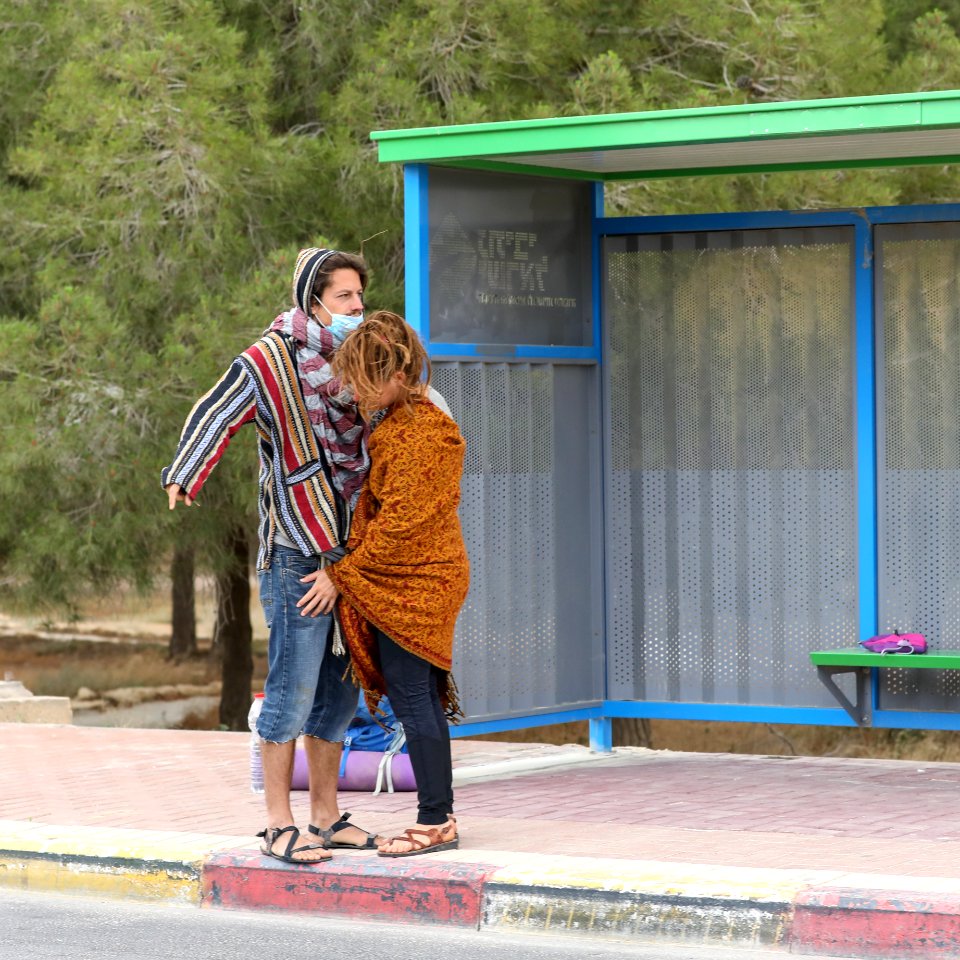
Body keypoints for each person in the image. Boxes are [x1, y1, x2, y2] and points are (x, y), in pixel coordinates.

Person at [161, 247, 383, 865]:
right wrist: (186, 471)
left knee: (341, 691)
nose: (356, 308)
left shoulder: (355, 360)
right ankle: (278, 823)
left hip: (349, 557)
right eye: (344, 298)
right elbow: (218, 407)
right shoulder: (271, 357)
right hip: (296, 550)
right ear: (313, 300)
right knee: (292, 685)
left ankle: (326, 816)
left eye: (359, 298)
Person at [301, 310, 470, 858]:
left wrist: (340, 575)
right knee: (415, 692)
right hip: (414, 574)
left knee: (413, 693)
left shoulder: (421, 430)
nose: (349, 389)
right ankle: (437, 813)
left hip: (419, 578)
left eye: (359, 378)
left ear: (393, 376)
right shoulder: (401, 418)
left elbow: (403, 523)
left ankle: (435, 819)